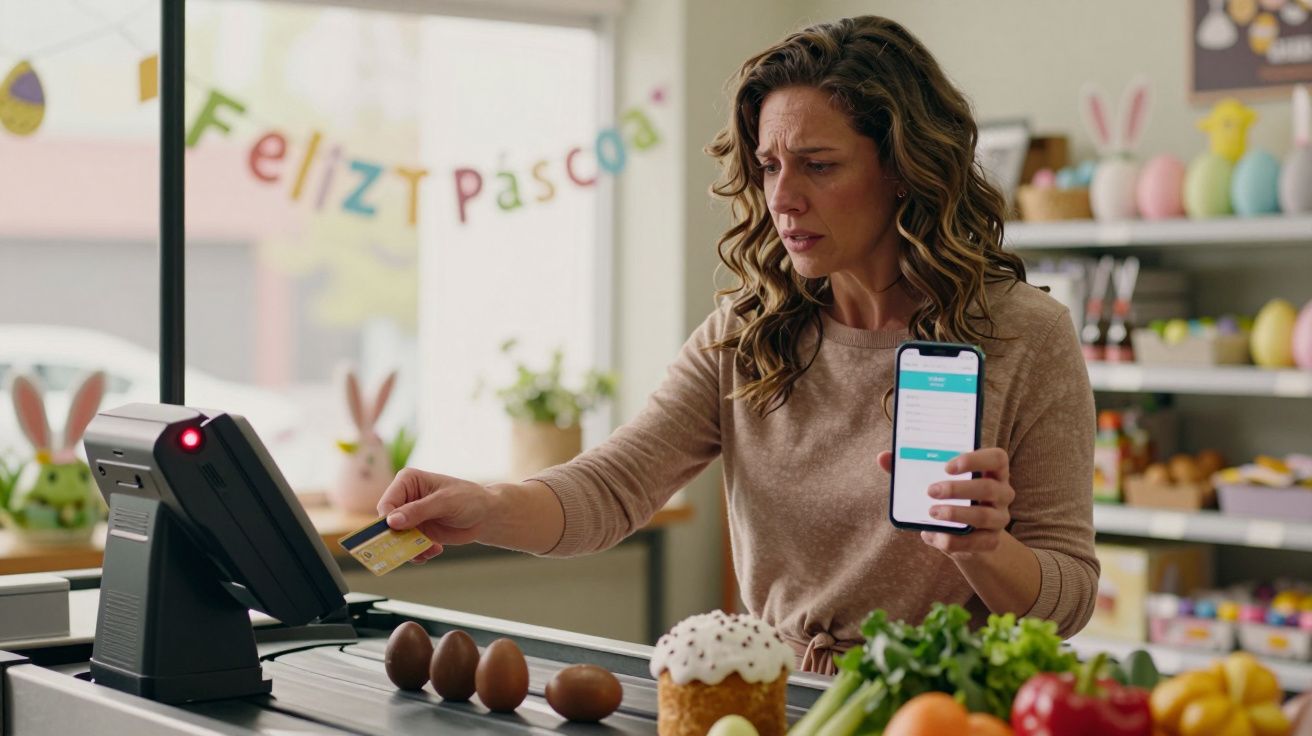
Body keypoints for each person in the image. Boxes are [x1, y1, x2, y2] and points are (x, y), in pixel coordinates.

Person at [378, 15, 1097, 675]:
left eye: (818, 165)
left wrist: (984, 549)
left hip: (943, 707)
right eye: (770, 165)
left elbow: (1070, 598)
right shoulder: (749, 330)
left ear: (904, 170)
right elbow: (611, 490)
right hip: (772, 695)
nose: (782, 198)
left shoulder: (1024, 337)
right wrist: (486, 505)